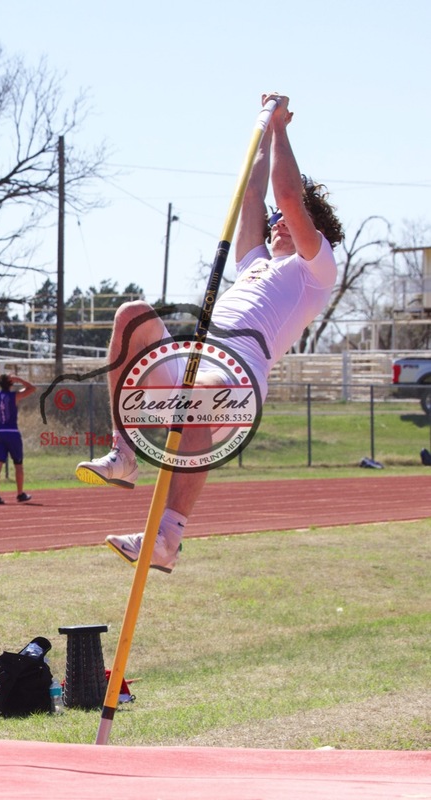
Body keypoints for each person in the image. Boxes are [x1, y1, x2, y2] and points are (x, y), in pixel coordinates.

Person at [75, 92, 343, 573]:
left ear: (312, 227)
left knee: (199, 396)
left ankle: (167, 537)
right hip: (197, 362)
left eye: (290, 220)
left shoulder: (316, 269)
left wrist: (282, 128)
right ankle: (124, 453)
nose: (279, 222)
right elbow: (253, 196)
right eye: (277, 221)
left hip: (239, 378)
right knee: (133, 314)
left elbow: (286, 196)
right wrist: (263, 130)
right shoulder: (254, 263)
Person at [0, 373, 36, 504]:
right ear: (11, 383)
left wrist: (1, 423)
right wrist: (19, 379)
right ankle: (20, 494)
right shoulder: (14, 396)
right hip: (12, 433)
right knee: (18, 464)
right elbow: (32, 388)